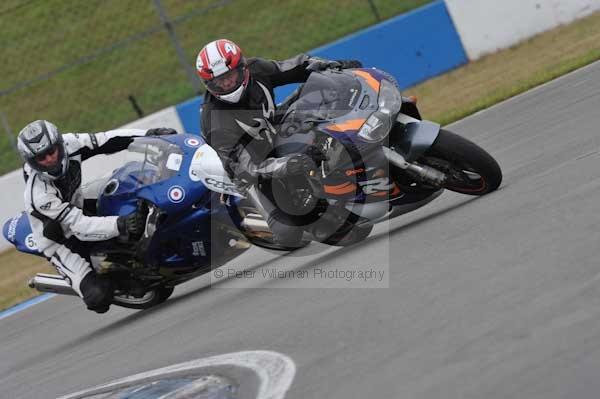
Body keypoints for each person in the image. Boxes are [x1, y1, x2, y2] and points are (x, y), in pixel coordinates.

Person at [196, 38, 362, 247]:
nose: (228, 83)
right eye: (220, 81)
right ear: (209, 85)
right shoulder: (214, 120)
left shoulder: (256, 69)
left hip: (274, 128)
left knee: (317, 94)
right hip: (253, 168)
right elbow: (244, 168)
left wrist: (327, 65)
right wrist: (287, 164)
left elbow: (293, 67)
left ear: (242, 68)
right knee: (287, 234)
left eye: (230, 76)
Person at [17, 120, 176, 313]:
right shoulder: (38, 195)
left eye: (52, 151)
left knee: (129, 190)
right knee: (98, 298)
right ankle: (104, 280)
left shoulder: (70, 143)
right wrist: (120, 224)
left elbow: (106, 139)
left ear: (59, 144)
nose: (50, 159)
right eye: (42, 157)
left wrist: (151, 134)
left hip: (78, 204)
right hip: (61, 240)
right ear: (32, 161)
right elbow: (79, 226)